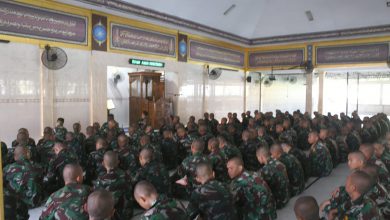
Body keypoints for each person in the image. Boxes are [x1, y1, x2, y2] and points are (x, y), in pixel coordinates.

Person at [94, 151, 133, 219]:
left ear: (103, 163)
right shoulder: (127, 176)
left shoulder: (100, 180)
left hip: (110, 216)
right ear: (118, 162)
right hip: (127, 214)